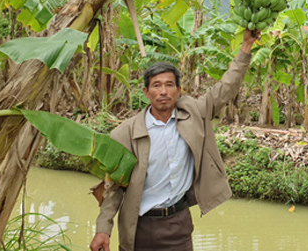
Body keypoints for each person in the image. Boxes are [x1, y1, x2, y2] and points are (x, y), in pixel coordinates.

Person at [90, 29, 259, 251]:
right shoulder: (126, 133)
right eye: (156, 85)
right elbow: (113, 188)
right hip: (139, 226)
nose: (163, 91)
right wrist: (103, 229)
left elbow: (226, 89)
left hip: (178, 224)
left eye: (169, 85)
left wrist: (246, 47)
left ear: (178, 91)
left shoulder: (194, 114)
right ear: (146, 92)